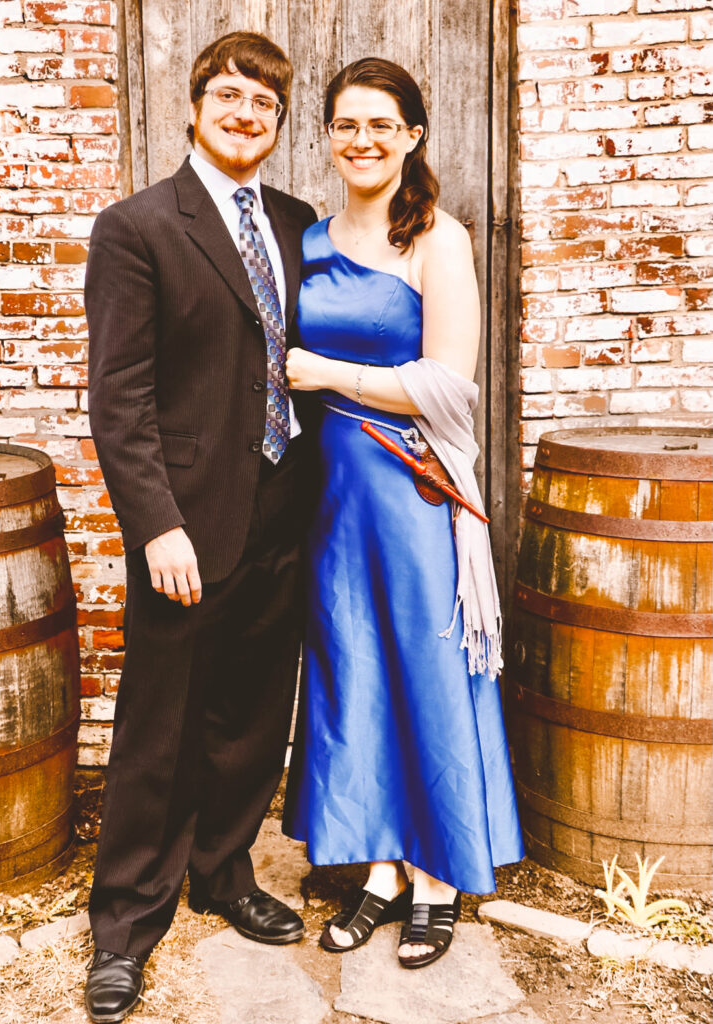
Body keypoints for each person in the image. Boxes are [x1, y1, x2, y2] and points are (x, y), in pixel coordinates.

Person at [84, 31, 317, 1023]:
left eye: (263, 105)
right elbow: (119, 396)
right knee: (159, 724)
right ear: (194, 105)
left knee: (254, 714)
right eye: (228, 95)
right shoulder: (138, 226)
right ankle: (127, 923)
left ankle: (223, 871)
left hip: (283, 506)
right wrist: (155, 526)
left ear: (276, 123)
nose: (243, 114)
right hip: (185, 521)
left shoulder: (300, 223)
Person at [283, 57, 523, 969]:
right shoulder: (305, 241)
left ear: (413, 135)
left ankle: (436, 877)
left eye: (381, 124)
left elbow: (447, 384)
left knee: (425, 668)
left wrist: (331, 373)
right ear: (328, 136)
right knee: (356, 669)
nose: (362, 140)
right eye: (345, 124)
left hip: (412, 488)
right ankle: (380, 870)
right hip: (329, 494)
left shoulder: (437, 237)